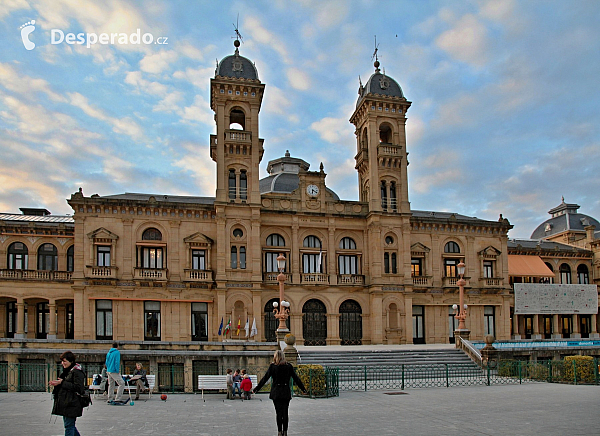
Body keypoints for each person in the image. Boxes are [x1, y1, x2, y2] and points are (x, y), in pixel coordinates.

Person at [253, 350, 307, 436]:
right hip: (285, 391)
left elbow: (265, 378)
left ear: (275, 357)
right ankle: (285, 431)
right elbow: (296, 378)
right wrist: (303, 389)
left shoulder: (273, 367)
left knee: (278, 413)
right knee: (285, 412)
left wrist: (257, 389)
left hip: (276, 392)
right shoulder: (289, 366)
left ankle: (279, 431)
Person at [49, 351, 86, 436]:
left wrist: (62, 383)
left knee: (69, 426)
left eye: (65, 361)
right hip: (66, 402)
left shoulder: (77, 371)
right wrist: (58, 383)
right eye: (62, 361)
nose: (63, 363)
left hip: (72, 402)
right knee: (69, 425)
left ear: (71, 361)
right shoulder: (67, 371)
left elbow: (79, 388)